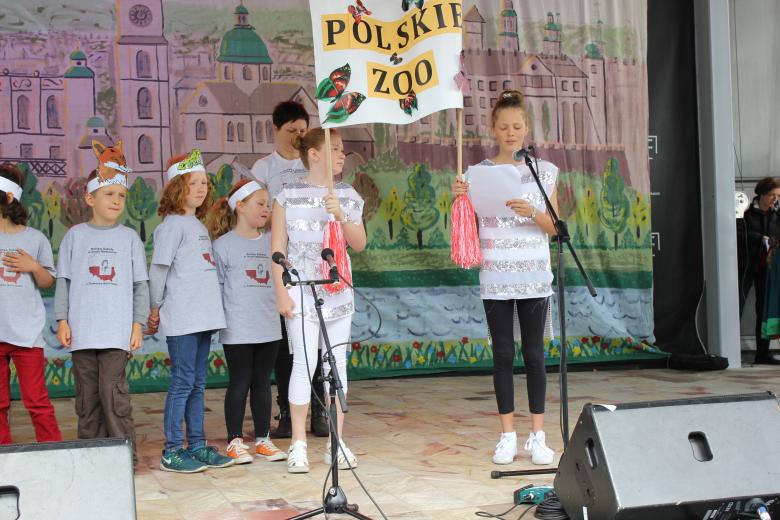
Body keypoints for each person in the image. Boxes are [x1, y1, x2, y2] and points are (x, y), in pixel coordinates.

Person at [454, 90, 558, 466]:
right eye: (503, 126)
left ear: (526, 128)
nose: (511, 132)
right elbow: (468, 225)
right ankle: (507, 436)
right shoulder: (478, 173)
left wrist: (532, 211)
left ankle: (538, 435)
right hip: (496, 271)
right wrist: (460, 199)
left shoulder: (543, 172)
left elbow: (556, 228)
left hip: (533, 273)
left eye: (517, 126)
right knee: (502, 354)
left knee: (534, 354)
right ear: (493, 130)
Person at [271, 128, 366, 473]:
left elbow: (359, 243)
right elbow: (277, 249)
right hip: (301, 288)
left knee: (336, 363)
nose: (342, 155)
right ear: (314, 154)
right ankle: (298, 442)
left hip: (337, 289)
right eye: (335, 149)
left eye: (343, 150)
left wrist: (341, 214)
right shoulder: (287, 195)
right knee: (304, 361)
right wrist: (282, 292)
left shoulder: (348, 195)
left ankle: (336, 443)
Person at [147, 149, 234, 472]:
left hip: (202, 316)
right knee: (183, 382)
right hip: (183, 317)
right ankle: (172, 450)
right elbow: (159, 271)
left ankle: (196, 444)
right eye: (193, 183)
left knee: (197, 382)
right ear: (175, 189)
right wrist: (155, 307)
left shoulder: (195, 224)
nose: (201, 189)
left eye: (204, 183)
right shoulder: (172, 226)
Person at [55, 167, 148, 464]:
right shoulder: (75, 236)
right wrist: (62, 320)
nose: (117, 200)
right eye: (109, 194)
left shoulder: (129, 237)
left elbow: (140, 285)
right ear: (90, 198)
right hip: (82, 334)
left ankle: (123, 460)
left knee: (113, 396)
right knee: (88, 399)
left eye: (121, 195)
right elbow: (64, 282)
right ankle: (91, 459)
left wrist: (137, 324)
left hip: (116, 334)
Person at [250, 101, 328, 438]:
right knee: (287, 343)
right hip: (282, 263)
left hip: (314, 264)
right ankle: (287, 410)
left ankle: (320, 411)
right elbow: (255, 211)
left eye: (302, 130)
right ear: (276, 130)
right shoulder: (264, 167)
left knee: (317, 341)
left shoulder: (316, 162)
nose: (298, 136)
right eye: (291, 130)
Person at [207, 179, 287, 464]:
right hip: (238, 328)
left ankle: (264, 440)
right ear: (240, 207)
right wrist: (218, 321)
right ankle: (235, 441)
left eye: (268, 204)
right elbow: (216, 287)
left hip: (268, 325)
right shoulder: (223, 246)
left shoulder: (272, 242)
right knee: (240, 381)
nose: (266, 209)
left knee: (264, 383)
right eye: (260, 204)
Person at [0, 163, 62, 445]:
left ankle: (52, 454)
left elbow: (48, 281)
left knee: (37, 401)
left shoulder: (35, 238)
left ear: (9, 197)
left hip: (27, 335)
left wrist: (33, 266)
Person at [737, 176, 780, 364]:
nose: (775, 199)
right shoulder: (745, 212)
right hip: (745, 265)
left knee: (763, 310)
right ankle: (728, 346)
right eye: (772, 195)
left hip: (767, 268)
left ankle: (763, 353)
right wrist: (758, 237)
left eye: (777, 196)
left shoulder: (776, 214)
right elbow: (735, 234)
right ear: (761, 194)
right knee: (736, 306)